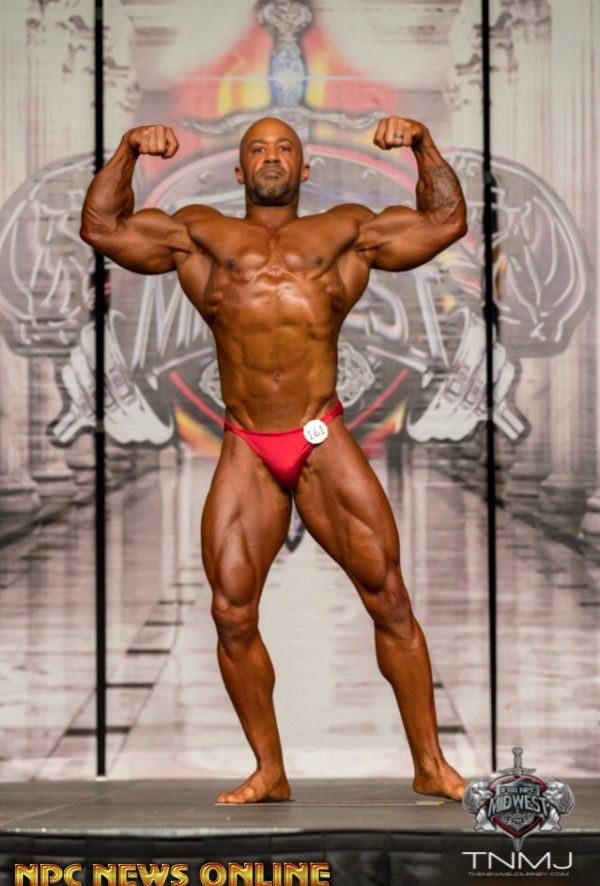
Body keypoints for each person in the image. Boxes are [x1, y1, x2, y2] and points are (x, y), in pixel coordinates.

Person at [80, 115, 468, 804]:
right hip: (247, 444)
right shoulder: (200, 234)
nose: (270, 156)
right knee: (231, 612)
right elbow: (103, 228)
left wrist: (421, 143)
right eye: (257, 148)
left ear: (304, 168)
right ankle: (270, 770)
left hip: (322, 436)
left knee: (389, 598)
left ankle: (431, 765)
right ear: (239, 170)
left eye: (284, 147)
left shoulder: (345, 231)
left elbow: (445, 222)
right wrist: (129, 149)